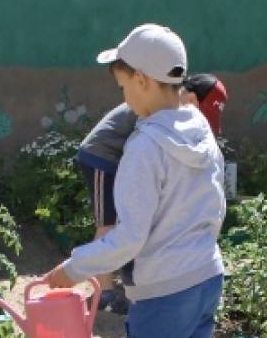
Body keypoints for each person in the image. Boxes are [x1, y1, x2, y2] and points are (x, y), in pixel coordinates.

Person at [45, 24, 226, 338]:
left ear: (144, 80)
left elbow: (129, 236)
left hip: (165, 285)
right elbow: (216, 205)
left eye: (125, 87)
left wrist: (74, 268)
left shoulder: (145, 147)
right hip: (208, 274)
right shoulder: (200, 130)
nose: (124, 98)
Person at [75, 73, 228, 313]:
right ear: (188, 97)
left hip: (120, 158)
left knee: (127, 223)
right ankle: (103, 292)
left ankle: (121, 286)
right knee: (109, 223)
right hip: (102, 156)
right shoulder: (153, 111)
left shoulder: (169, 108)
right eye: (200, 109)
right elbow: (142, 152)